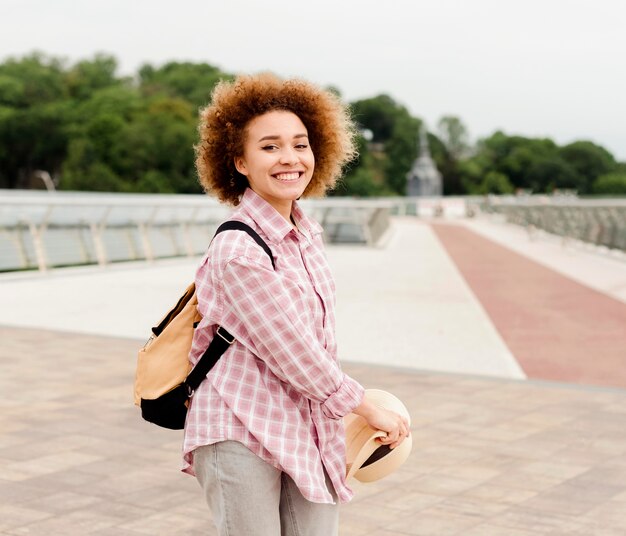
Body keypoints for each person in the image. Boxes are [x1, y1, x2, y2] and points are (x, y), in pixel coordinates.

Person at [183, 73, 410, 536]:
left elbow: (316, 342)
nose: (290, 158)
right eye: (269, 147)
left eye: (300, 144)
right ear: (239, 162)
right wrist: (362, 405)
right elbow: (291, 349)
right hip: (238, 422)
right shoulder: (238, 248)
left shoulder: (305, 236)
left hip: (304, 422)